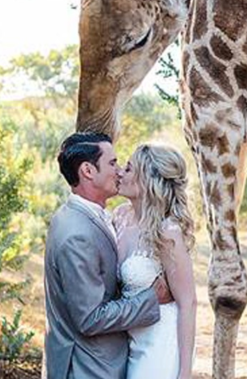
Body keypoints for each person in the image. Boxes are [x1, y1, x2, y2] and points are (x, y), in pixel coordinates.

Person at [43, 132, 172, 379]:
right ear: (88, 171)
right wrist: (150, 298)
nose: (119, 171)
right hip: (88, 368)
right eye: (112, 163)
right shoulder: (77, 234)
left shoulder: (83, 216)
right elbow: (90, 318)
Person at [113, 143, 197, 379]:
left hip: (158, 343)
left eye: (128, 169)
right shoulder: (119, 216)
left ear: (147, 180)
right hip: (123, 341)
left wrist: (184, 372)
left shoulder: (167, 232)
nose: (119, 172)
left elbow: (188, 303)